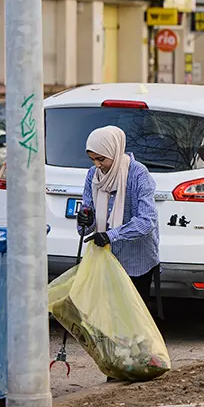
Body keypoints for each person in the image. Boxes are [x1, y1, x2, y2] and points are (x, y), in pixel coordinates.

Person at [76, 126, 161, 311]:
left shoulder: (138, 173)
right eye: (92, 159)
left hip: (136, 259)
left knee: (132, 313)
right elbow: (87, 214)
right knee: (105, 312)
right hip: (104, 255)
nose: (97, 165)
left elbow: (147, 220)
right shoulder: (93, 175)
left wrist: (111, 235)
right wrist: (85, 218)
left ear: (114, 151)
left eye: (101, 159)